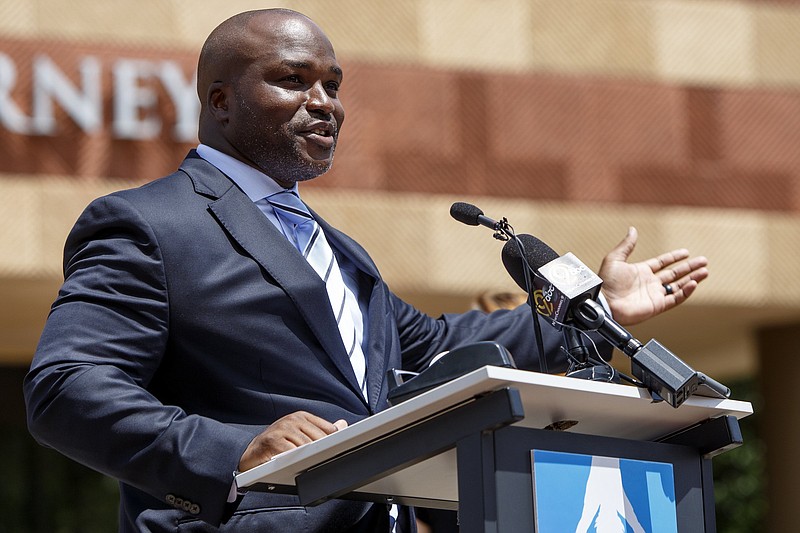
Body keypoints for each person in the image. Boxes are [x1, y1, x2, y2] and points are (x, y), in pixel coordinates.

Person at [23, 8, 709, 533]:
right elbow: (65, 388)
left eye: (332, 84)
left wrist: (596, 310)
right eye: (292, 80)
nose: (324, 102)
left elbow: (440, 346)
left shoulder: (339, 250)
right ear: (220, 99)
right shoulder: (150, 223)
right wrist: (234, 449)